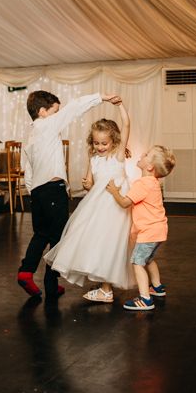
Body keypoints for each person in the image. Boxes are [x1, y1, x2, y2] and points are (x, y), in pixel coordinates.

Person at [17, 89, 120, 301]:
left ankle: (25, 272)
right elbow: (74, 108)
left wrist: (33, 192)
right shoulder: (47, 124)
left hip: (37, 192)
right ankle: (50, 284)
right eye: (56, 111)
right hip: (53, 190)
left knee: (41, 234)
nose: (59, 114)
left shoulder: (31, 134)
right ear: (43, 112)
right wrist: (101, 97)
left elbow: (28, 169)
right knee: (58, 238)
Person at [44, 103, 133, 303]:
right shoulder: (93, 158)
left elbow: (126, 126)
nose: (99, 147)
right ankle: (104, 286)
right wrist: (87, 184)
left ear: (114, 142)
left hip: (115, 208)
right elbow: (90, 183)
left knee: (109, 244)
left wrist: (120, 107)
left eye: (104, 143)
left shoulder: (117, 157)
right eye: (96, 143)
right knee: (96, 242)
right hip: (96, 206)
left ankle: (106, 288)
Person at [107, 145, 176, 311]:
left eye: (146, 154)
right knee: (148, 259)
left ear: (149, 166)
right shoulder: (153, 183)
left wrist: (114, 191)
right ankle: (157, 287)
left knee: (138, 262)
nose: (142, 154)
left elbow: (125, 203)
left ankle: (145, 298)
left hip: (149, 232)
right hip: (158, 230)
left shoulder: (143, 184)